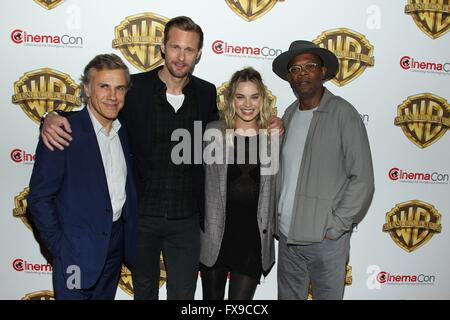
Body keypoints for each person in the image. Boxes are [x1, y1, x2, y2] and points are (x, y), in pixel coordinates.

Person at [40, 16, 283, 300]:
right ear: (162, 48)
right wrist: (50, 117)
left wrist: (273, 122)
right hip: (141, 217)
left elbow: (237, 126)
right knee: (144, 292)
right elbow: (100, 110)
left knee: (183, 295)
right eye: (175, 47)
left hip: (187, 220)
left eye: (189, 50)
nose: (181, 57)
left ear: (199, 54)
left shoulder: (205, 94)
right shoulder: (135, 89)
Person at [27, 53, 138, 300]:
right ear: (87, 89)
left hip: (113, 251)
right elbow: (39, 198)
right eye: (104, 87)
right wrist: (61, 248)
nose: (112, 96)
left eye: (119, 88)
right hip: (75, 255)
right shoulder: (63, 131)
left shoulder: (123, 132)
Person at [272, 40, 374, 300]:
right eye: (295, 69)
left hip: (324, 240)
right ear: (289, 78)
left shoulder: (343, 114)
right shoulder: (290, 114)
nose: (302, 73)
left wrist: (335, 226)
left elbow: (362, 178)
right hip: (286, 237)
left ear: (323, 71)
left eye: (310, 66)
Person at [200, 67, 278, 300]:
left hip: (252, 240)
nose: (247, 104)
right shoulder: (213, 133)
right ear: (231, 99)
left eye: (254, 97)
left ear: (262, 99)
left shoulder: (273, 137)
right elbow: (199, 180)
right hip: (216, 237)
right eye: (240, 96)